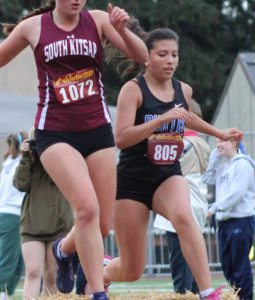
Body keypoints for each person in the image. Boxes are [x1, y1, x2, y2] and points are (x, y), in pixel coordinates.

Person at [0, 1, 148, 298]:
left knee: (102, 226)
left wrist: (121, 29)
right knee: (87, 210)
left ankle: (62, 249)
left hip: (97, 131)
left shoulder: (97, 20)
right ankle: (97, 292)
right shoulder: (34, 27)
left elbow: (141, 55)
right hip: (56, 132)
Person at [102, 27, 242, 300]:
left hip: (168, 174)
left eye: (175, 55)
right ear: (146, 58)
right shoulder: (133, 90)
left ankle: (207, 291)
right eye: (163, 54)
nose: (170, 61)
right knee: (132, 270)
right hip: (133, 180)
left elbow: (188, 118)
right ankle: (105, 270)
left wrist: (219, 133)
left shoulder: (183, 90)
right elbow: (121, 138)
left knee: (184, 217)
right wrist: (160, 120)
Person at [152, 99, 210, 294]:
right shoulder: (201, 143)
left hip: (181, 207)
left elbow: (161, 168)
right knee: (193, 267)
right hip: (194, 205)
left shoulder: (184, 143)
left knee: (182, 269)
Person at [13, 126, 74, 299]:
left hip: (59, 224)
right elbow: (20, 184)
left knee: (52, 273)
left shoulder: (63, 159)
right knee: (32, 272)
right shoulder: (29, 163)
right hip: (32, 225)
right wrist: (26, 157)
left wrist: (55, 151)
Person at [202, 139, 255, 300]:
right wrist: (215, 156)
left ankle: (244, 297)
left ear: (233, 143)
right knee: (227, 265)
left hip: (240, 220)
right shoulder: (224, 167)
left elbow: (236, 194)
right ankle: (236, 296)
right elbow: (206, 177)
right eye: (217, 141)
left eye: (222, 141)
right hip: (224, 222)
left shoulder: (243, 165)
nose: (218, 144)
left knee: (239, 265)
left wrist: (214, 208)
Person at [0, 131, 27, 300]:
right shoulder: (19, 164)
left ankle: (6, 294)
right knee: (8, 259)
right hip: (10, 216)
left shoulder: (10, 163)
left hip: (12, 215)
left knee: (19, 263)